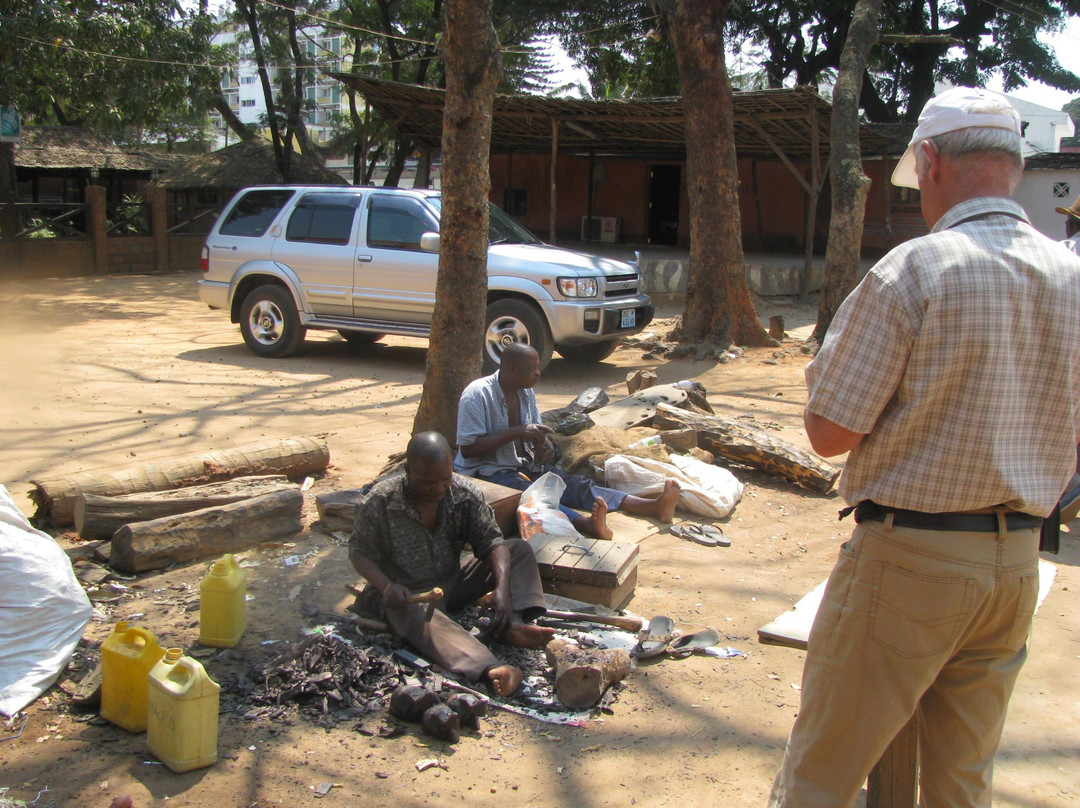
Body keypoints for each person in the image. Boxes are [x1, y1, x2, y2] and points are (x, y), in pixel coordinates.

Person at [768, 86, 1080, 808]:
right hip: (1016, 565)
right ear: (1012, 164)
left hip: (911, 562)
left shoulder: (916, 271)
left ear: (932, 161)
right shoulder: (1072, 278)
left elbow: (827, 434)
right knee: (958, 783)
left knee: (821, 776)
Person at [349, 431, 554, 697]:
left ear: (452, 469)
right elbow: (359, 552)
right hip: (406, 598)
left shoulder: (463, 492)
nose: (438, 489)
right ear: (408, 471)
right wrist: (387, 586)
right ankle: (489, 668)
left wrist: (502, 589)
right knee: (421, 614)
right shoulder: (382, 499)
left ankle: (512, 624)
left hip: (450, 584)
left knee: (517, 550)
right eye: (426, 482)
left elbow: (492, 542)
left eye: (444, 479)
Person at [455, 342, 680, 539]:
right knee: (535, 498)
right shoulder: (477, 394)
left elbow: (533, 436)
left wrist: (545, 448)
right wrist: (518, 432)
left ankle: (649, 506)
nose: (538, 373)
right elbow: (468, 449)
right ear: (512, 369)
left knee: (573, 485)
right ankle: (586, 524)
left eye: (537, 367)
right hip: (488, 473)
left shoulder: (525, 392)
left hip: (523, 466)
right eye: (531, 369)